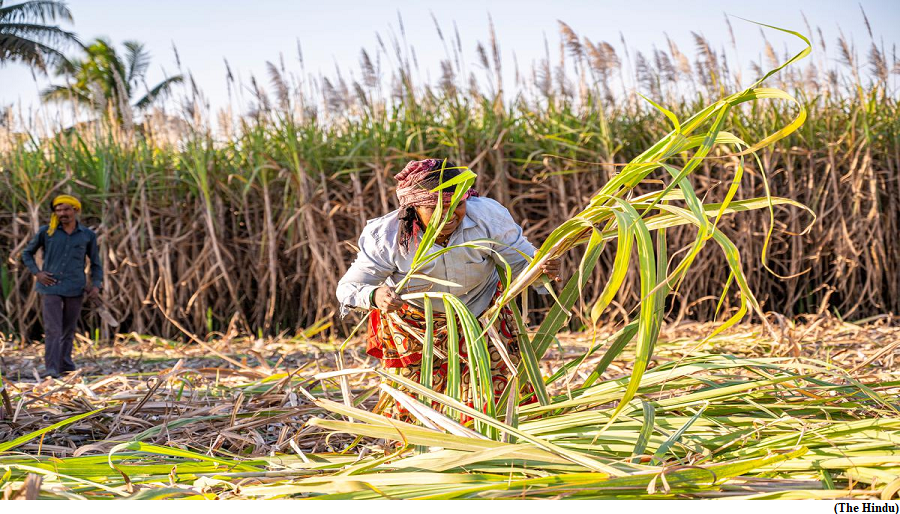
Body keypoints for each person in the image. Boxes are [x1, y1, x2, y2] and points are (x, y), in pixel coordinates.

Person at [336, 159, 560, 423]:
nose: (451, 215)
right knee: (417, 406)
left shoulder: (487, 216)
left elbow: (522, 263)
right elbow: (349, 288)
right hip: (418, 326)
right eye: (438, 208)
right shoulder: (385, 237)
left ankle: (497, 446)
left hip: (483, 314)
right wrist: (375, 296)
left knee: (499, 397)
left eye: (459, 205)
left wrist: (541, 270)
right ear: (414, 208)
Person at [22, 194, 103, 378]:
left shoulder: (87, 235)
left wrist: (96, 285)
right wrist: (38, 273)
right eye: (58, 210)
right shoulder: (47, 232)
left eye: (66, 209)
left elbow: (96, 263)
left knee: (68, 328)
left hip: (75, 287)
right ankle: (51, 368)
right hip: (50, 286)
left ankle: (65, 365)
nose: (62, 213)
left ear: (75, 210)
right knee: (53, 329)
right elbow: (27, 254)